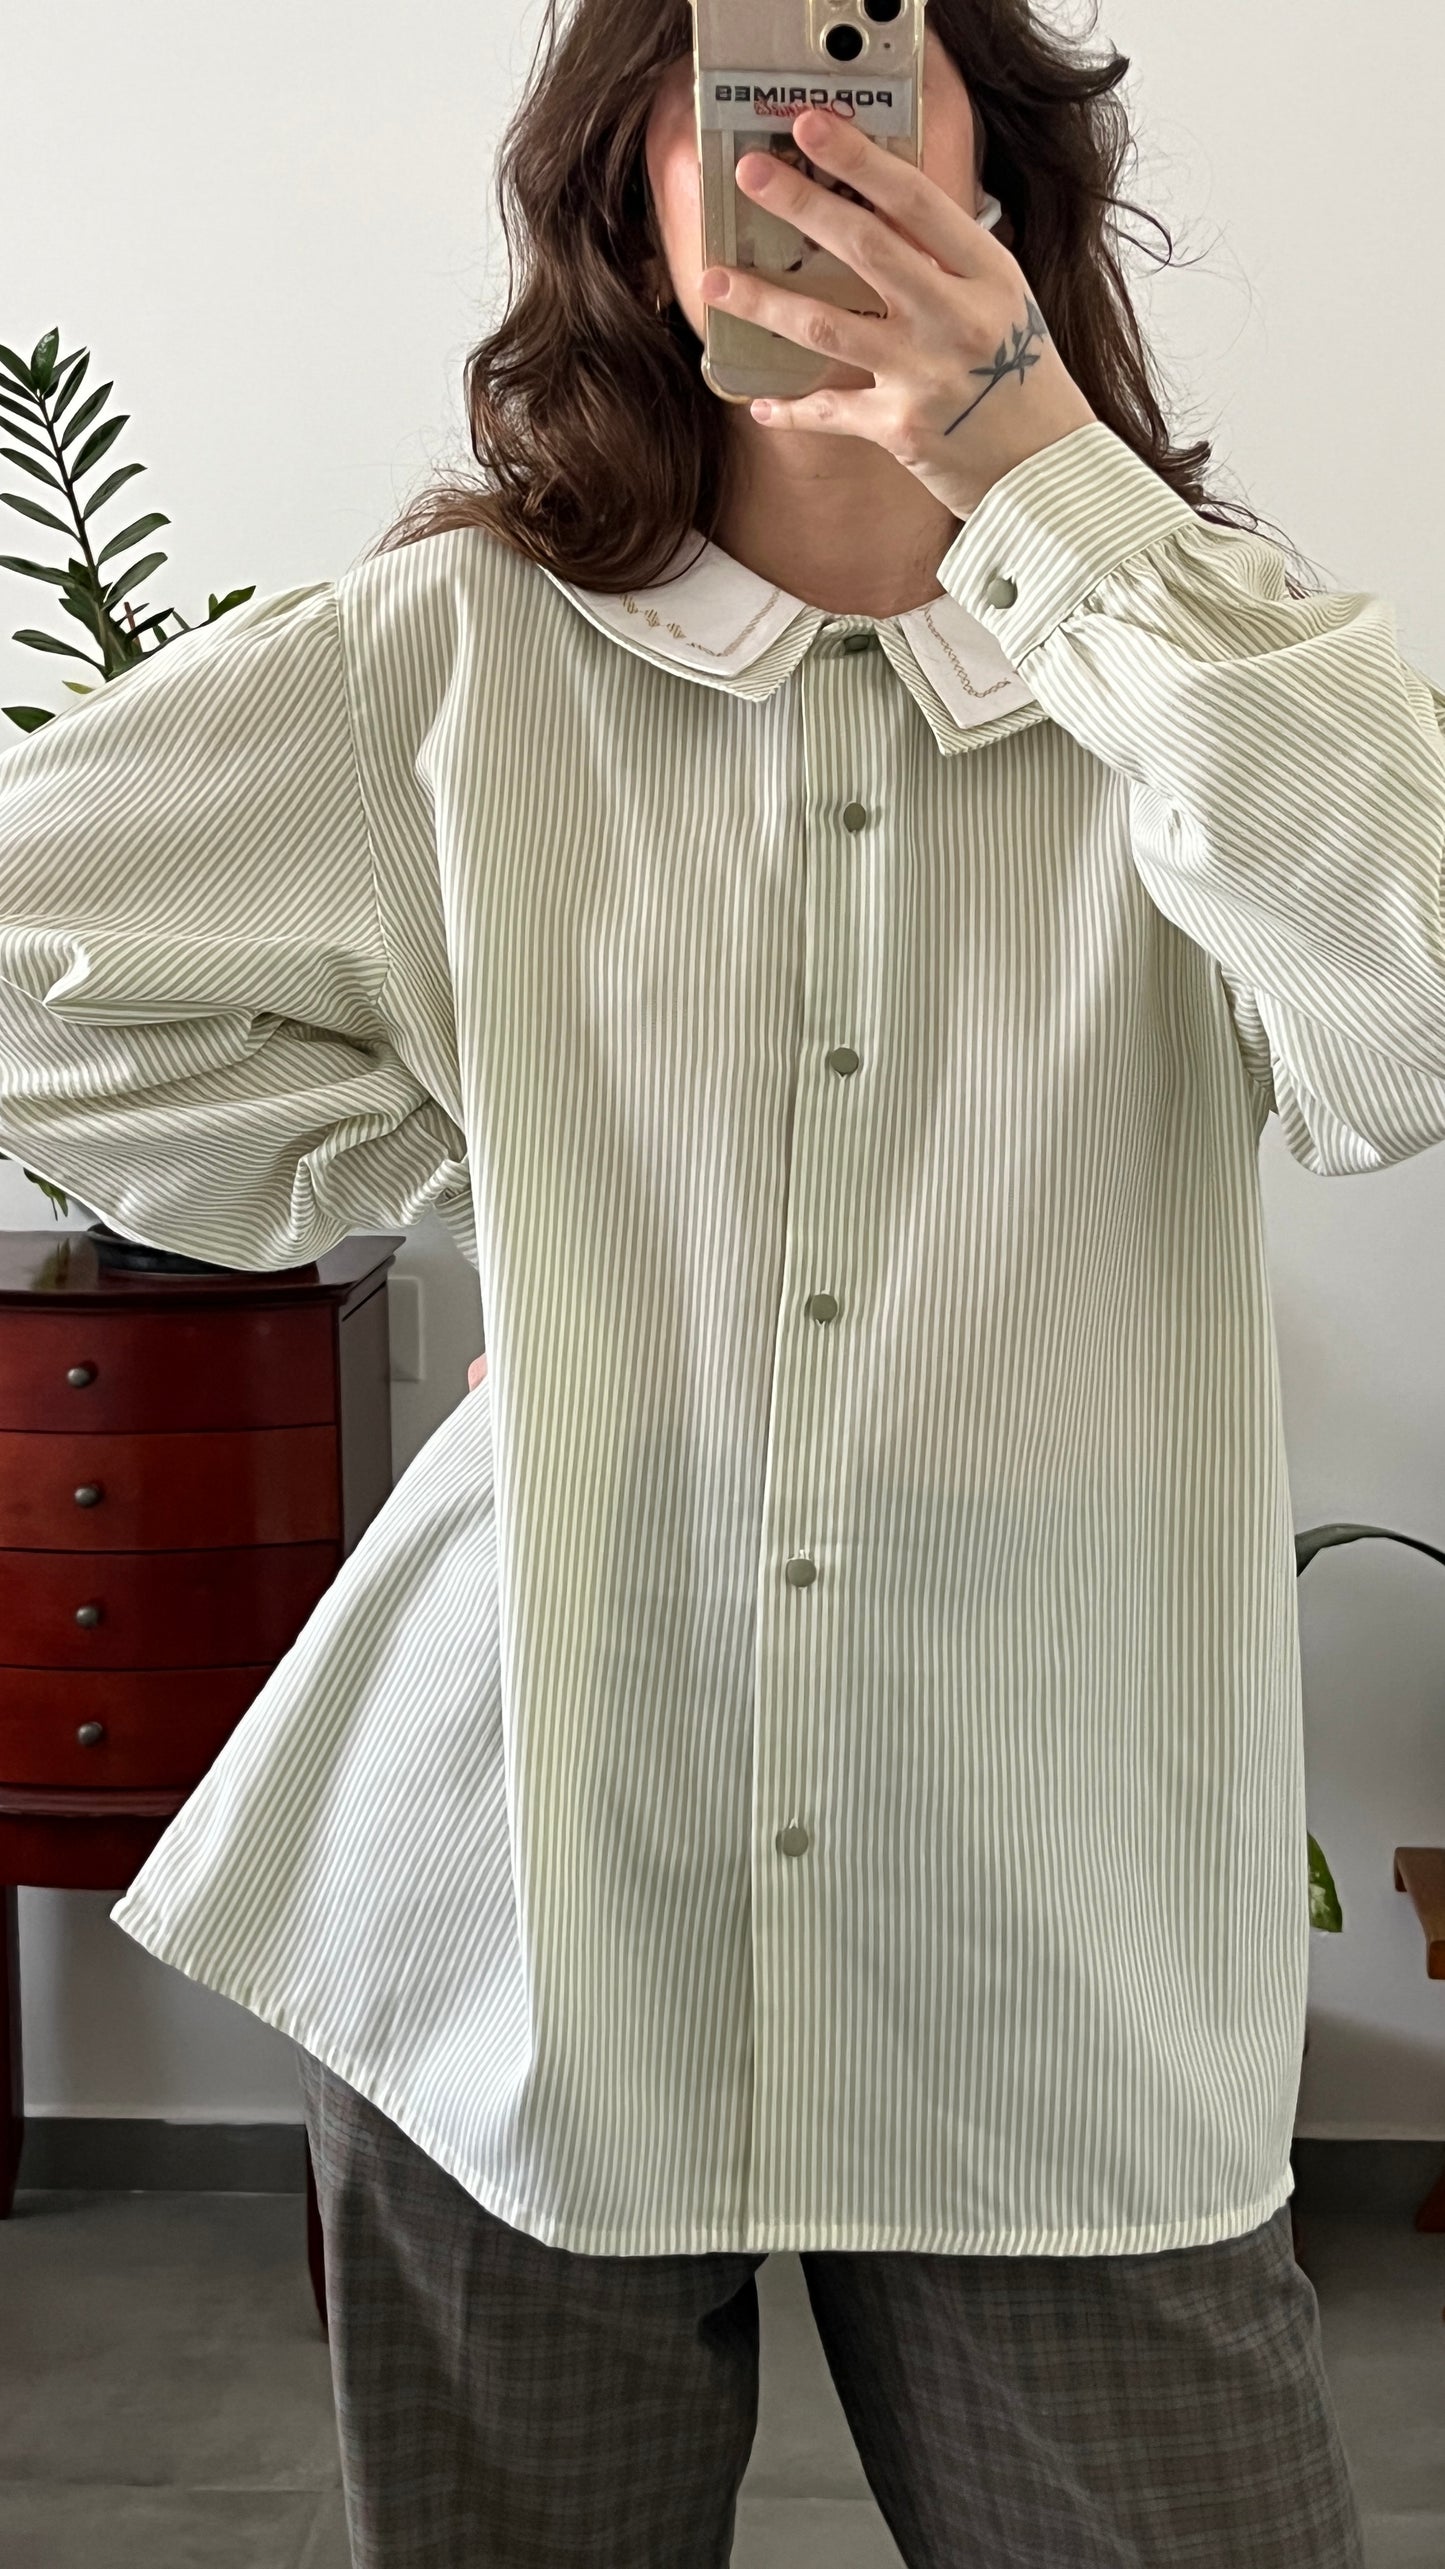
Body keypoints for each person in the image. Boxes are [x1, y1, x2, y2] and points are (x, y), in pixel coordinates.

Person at [6, 1, 1434, 2560]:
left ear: (1005, 157)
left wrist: (1030, 470)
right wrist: (395, 1122)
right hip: (523, 1886)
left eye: (873, 54)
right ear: (627, 204)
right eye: (735, 78)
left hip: (1049, 1927)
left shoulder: (1204, 665)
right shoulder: (439, 664)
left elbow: (1413, 1013)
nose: (811, 125)